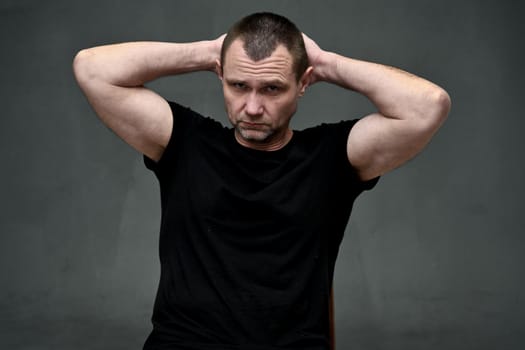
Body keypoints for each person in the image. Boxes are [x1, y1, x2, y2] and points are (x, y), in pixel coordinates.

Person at [73, 12, 450, 350]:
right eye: (238, 86)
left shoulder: (333, 157)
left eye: (271, 88)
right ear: (220, 75)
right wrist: (208, 51)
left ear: (302, 84)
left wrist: (325, 62)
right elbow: (92, 68)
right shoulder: (184, 142)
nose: (252, 107)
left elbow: (427, 105)